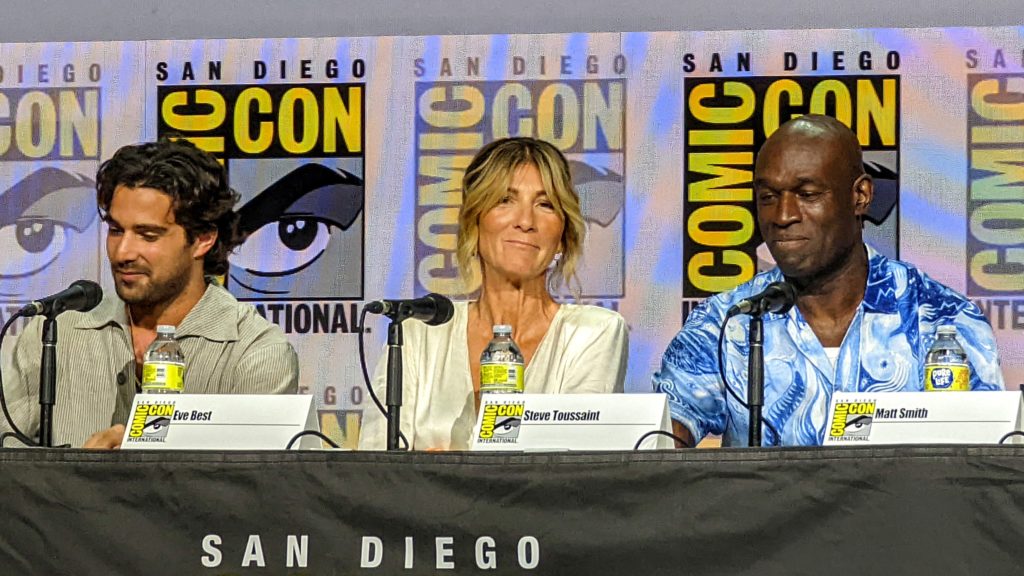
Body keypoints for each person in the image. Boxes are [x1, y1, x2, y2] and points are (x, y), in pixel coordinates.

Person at [654, 115, 1004, 447]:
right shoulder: (727, 322)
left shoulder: (940, 319)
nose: (784, 216)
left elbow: (983, 466)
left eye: (807, 195)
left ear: (860, 196)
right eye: (768, 198)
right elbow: (657, 446)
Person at [1, 138, 299, 448]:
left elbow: (255, 481)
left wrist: (139, 439)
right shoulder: (55, 332)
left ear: (203, 238)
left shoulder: (255, 351)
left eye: (148, 235)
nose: (123, 252)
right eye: (116, 230)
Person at [360, 137, 628, 450]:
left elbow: (574, 464)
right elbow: (376, 466)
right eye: (505, 200)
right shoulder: (417, 332)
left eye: (545, 205)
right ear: (474, 220)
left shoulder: (593, 334)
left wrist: (442, 469)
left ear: (563, 235)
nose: (526, 222)